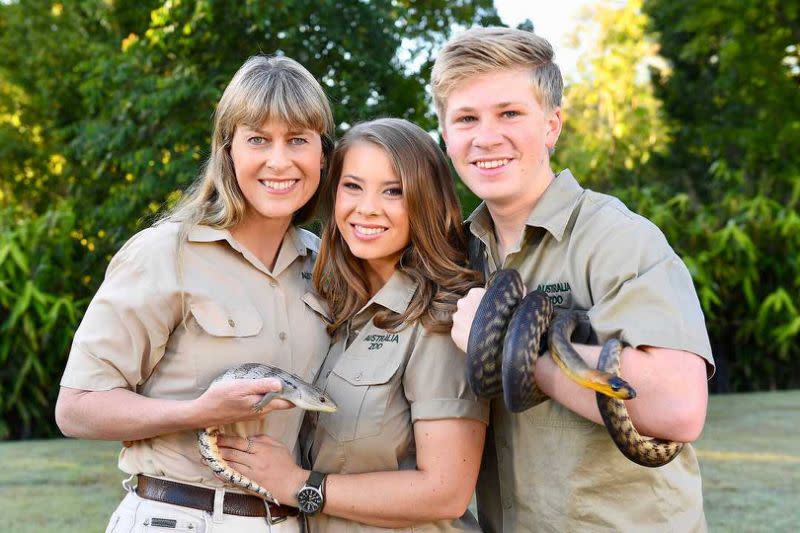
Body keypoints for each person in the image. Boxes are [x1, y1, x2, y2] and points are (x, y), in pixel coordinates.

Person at [431, 27, 715, 532]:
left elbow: (678, 407)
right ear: (446, 135)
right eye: (466, 119)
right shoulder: (456, 255)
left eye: (510, 113)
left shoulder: (617, 239)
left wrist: (504, 343)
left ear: (552, 126)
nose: (487, 136)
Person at [55, 55, 335, 532]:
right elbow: (77, 407)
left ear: (322, 154)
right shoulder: (165, 253)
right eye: (257, 140)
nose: (279, 160)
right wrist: (198, 413)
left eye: (298, 140)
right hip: (179, 519)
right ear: (228, 152)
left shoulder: (329, 265)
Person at [213, 118, 489, 531]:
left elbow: (446, 490)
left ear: (426, 201)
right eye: (353, 186)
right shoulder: (333, 311)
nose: (367, 208)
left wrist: (298, 485)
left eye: (393, 191)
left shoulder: (438, 319)